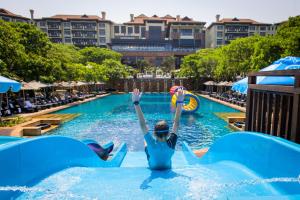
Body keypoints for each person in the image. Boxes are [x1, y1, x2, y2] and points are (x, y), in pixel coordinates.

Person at [132, 88, 185, 170]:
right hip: (167, 167)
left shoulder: (152, 143)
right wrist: (180, 102)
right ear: (168, 134)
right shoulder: (171, 143)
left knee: (146, 143)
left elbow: (142, 124)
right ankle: (147, 142)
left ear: (154, 134)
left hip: (153, 166)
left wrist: (136, 103)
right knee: (148, 143)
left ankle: (146, 142)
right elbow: (176, 123)